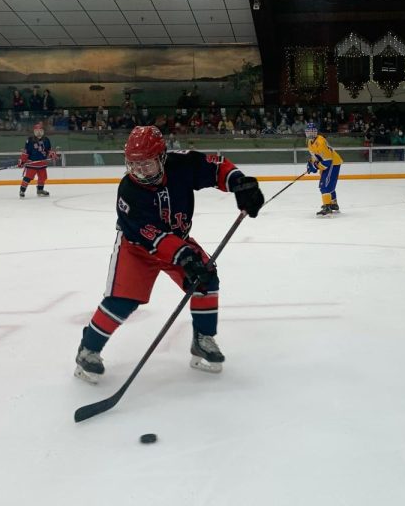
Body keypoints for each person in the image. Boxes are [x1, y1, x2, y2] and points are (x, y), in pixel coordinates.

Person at [74, 126, 265, 383]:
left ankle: (203, 339)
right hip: (136, 249)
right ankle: (88, 349)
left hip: (178, 242)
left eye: (148, 165)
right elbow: (148, 234)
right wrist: (184, 255)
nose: (140, 172)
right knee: (122, 301)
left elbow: (216, 168)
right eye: (134, 165)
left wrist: (240, 184)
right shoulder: (129, 191)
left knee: (206, 279)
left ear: (162, 158)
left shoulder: (182, 164)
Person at [305, 122, 343, 217]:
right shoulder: (309, 142)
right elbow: (314, 156)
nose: (310, 133)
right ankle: (333, 204)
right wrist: (311, 164)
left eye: (312, 131)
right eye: (308, 131)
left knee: (324, 185)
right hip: (327, 163)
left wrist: (315, 166)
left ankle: (327, 207)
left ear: (316, 132)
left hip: (333, 163)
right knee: (328, 184)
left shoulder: (320, 142)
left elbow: (327, 161)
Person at [18, 122, 56, 198]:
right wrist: (22, 161)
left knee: (43, 177)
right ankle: (22, 190)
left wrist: (52, 154)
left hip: (42, 163)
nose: (39, 133)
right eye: (37, 131)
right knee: (28, 177)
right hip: (32, 163)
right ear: (34, 132)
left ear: (43, 132)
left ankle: (40, 190)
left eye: (40, 131)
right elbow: (26, 152)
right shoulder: (30, 140)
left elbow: (49, 150)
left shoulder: (46, 140)